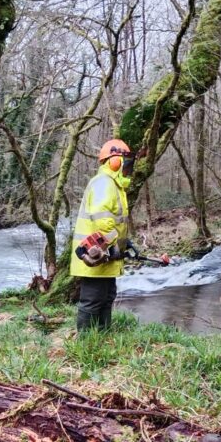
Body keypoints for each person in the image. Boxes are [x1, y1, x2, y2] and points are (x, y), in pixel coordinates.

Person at [70, 139, 134, 331]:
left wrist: (124, 243)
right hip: (96, 252)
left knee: (107, 297)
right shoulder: (104, 183)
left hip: (106, 253)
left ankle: (103, 335)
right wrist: (113, 245)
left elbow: (115, 222)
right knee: (93, 299)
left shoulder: (114, 185)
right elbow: (102, 219)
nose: (128, 168)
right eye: (125, 162)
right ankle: (85, 341)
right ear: (114, 161)